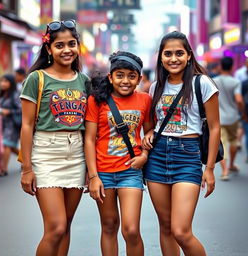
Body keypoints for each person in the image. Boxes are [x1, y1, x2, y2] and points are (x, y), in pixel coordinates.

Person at [142, 31, 220, 256]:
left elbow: (214, 127)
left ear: (188, 56)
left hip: (187, 156)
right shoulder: (156, 86)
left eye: (179, 53)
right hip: (157, 157)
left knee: (181, 230)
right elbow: (152, 123)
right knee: (165, 227)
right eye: (168, 54)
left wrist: (211, 168)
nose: (173, 58)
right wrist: (148, 133)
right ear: (161, 57)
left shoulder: (202, 83)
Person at [20, 20, 90, 256]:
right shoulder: (36, 79)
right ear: (49, 49)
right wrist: (27, 169)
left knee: (66, 225)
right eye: (60, 45)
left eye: (71, 44)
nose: (67, 50)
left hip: (77, 154)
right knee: (56, 226)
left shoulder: (84, 81)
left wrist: (92, 170)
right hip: (46, 154)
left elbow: (90, 128)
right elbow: (27, 125)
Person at [85, 51, 152, 256]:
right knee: (109, 226)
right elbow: (89, 139)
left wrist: (145, 156)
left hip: (130, 171)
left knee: (131, 230)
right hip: (103, 172)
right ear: (111, 77)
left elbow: (149, 130)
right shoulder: (96, 101)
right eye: (120, 75)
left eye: (131, 76)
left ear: (139, 79)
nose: (125, 81)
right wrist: (93, 176)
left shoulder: (145, 100)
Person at [214, 57, 244, 179]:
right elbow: (239, 100)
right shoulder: (235, 82)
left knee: (221, 144)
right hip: (233, 117)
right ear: (232, 67)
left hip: (218, 117)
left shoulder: (214, 81)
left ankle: (225, 171)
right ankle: (231, 164)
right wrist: (242, 111)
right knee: (233, 141)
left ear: (220, 66)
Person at [0, 74, 21, 177]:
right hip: (3, 124)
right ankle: (26, 160)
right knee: (10, 147)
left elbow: (21, 109)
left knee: (6, 144)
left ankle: (3, 169)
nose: (3, 83)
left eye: (5, 81)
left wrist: (9, 111)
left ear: (11, 83)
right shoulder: (2, 94)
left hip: (13, 124)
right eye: (2, 81)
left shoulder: (15, 94)